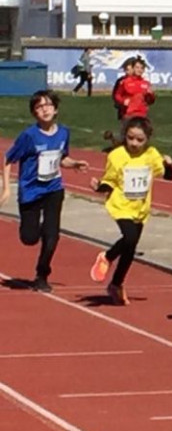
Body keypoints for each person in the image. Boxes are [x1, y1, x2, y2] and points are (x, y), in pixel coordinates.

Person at [0, 90, 88, 292]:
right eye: (39, 107)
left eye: (48, 105)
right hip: (30, 191)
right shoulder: (29, 136)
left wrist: (74, 163)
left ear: (55, 109)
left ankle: (42, 274)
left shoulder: (63, 132)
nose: (45, 109)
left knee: (52, 236)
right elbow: (8, 159)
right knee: (29, 238)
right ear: (34, 113)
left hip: (53, 189)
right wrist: (6, 189)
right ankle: (34, 227)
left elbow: (61, 157)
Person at [88, 117, 172, 305]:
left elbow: (168, 176)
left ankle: (116, 284)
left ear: (147, 139)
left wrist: (168, 165)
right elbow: (109, 181)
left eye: (139, 140)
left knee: (130, 248)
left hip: (141, 208)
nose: (134, 143)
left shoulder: (151, 155)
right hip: (121, 205)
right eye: (130, 138)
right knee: (129, 238)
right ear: (125, 136)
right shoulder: (117, 156)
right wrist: (98, 187)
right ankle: (108, 256)